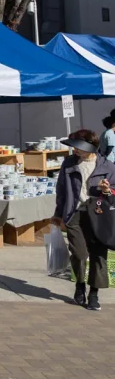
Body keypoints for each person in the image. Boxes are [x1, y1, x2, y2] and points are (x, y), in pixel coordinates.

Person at [53, 130, 115, 311]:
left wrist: (107, 190)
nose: (74, 150)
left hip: (99, 215)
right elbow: (61, 191)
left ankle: (94, 294)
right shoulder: (69, 164)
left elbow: (113, 192)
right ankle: (80, 284)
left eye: (77, 147)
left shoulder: (108, 166)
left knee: (98, 255)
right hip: (75, 213)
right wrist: (58, 214)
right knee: (79, 254)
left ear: (90, 146)